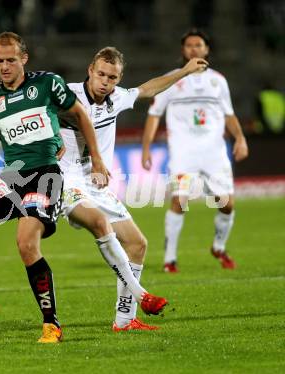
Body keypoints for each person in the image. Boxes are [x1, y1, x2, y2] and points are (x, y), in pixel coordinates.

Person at [0, 32, 110, 344]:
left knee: (26, 243)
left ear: (24, 59)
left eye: (10, 60)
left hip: (45, 174)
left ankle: (51, 324)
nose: (4, 66)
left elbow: (79, 114)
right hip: (12, 175)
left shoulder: (47, 84)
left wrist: (96, 159)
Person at [59, 47, 208, 331]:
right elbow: (38, 110)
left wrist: (185, 71)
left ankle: (125, 320)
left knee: (137, 244)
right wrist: (53, 139)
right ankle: (143, 295)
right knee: (101, 225)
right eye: (101, 74)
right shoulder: (67, 94)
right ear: (90, 70)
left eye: (112, 77)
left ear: (119, 78)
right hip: (66, 179)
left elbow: (148, 89)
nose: (105, 81)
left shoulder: (117, 98)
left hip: (98, 185)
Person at [142, 29, 249, 273]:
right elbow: (154, 115)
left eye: (198, 45)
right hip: (183, 152)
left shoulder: (218, 81)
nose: (193, 49)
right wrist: (146, 148)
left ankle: (219, 247)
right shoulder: (171, 80)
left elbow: (229, 115)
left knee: (226, 205)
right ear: (183, 50)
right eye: (189, 45)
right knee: (179, 200)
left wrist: (240, 138)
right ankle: (170, 260)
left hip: (214, 153)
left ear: (206, 49)